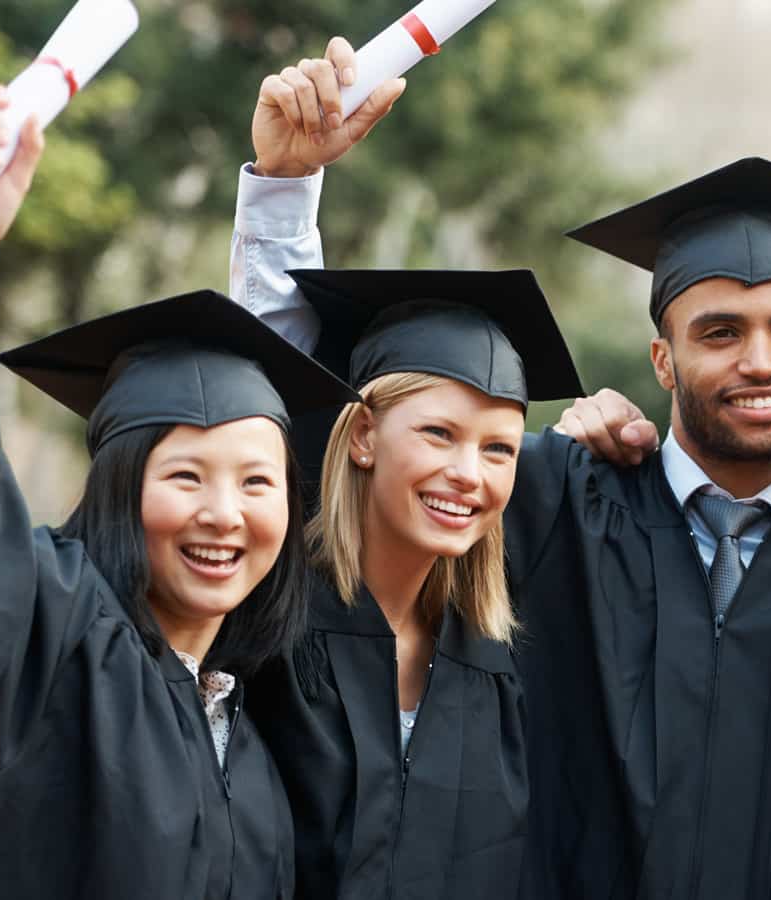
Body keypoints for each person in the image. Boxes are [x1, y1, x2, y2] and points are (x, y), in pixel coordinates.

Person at [226, 42, 771, 900]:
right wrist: (284, 192)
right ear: (663, 359)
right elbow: (301, 439)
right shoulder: (554, 503)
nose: (761, 361)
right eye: (720, 332)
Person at [0, 85, 359, 899]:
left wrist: (284, 190)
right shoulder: (38, 642)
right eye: (185, 475)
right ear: (120, 488)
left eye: (258, 482)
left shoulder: (245, 730)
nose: (225, 513)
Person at [231, 51, 587, 899]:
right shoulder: (266, 612)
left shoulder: (493, 654)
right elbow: (271, 391)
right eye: (437, 432)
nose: (469, 473)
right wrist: (284, 186)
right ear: (360, 435)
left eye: (499, 448)